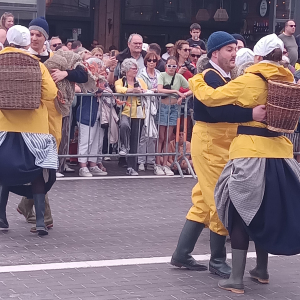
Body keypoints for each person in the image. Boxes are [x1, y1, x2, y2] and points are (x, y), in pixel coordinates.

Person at [190, 33, 300, 294]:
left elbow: (213, 98)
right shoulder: (289, 80)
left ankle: (235, 279)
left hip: (250, 152)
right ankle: (261, 270)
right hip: (282, 153)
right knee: (265, 211)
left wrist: (196, 80)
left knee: (240, 214)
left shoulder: (250, 80)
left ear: (258, 58)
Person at [171, 32, 266, 278]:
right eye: (229, 50)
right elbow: (213, 113)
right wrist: (249, 115)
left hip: (219, 142)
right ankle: (217, 260)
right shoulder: (211, 77)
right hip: (211, 142)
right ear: (215, 53)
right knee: (220, 200)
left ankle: (182, 253)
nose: (234, 53)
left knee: (204, 200)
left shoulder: (221, 76)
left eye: (235, 49)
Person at [0, 25, 60, 236]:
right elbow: (51, 93)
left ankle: (1, 218)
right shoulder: (36, 66)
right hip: (34, 130)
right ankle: (41, 222)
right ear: (26, 43)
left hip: (3, 128)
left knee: (3, 172)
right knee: (37, 173)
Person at [156, 56, 192, 176]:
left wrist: (184, 95)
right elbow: (160, 89)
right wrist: (176, 92)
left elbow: (192, 88)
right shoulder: (162, 75)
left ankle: (166, 164)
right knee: (161, 137)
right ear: (166, 66)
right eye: (169, 65)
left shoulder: (179, 77)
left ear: (177, 67)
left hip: (173, 108)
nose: (171, 68)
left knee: (168, 138)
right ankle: (158, 164)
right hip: (163, 107)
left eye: (174, 66)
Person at [115, 58, 148, 176]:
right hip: (125, 111)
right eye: (134, 68)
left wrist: (141, 91)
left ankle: (132, 167)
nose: (136, 70)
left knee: (135, 141)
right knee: (124, 125)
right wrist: (131, 90)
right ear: (127, 69)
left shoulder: (140, 81)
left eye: (136, 68)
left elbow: (146, 90)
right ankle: (124, 145)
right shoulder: (120, 81)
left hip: (138, 113)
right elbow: (119, 89)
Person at [76, 58, 108, 177]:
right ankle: (83, 166)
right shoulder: (85, 78)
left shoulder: (102, 79)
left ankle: (93, 164)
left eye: (99, 67)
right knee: (86, 140)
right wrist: (97, 89)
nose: (99, 69)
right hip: (86, 113)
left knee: (97, 141)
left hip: (100, 114)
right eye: (96, 66)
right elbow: (86, 89)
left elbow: (106, 88)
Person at [138, 52, 160, 171]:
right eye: (149, 60)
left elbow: (161, 88)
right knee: (143, 135)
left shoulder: (159, 74)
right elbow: (142, 88)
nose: (152, 62)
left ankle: (150, 160)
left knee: (153, 135)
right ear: (146, 61)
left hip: (156, 105)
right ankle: (141, 160)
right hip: (144, 105)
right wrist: (153, 90)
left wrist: (155, 90)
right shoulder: (141, 74)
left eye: (154, 60)